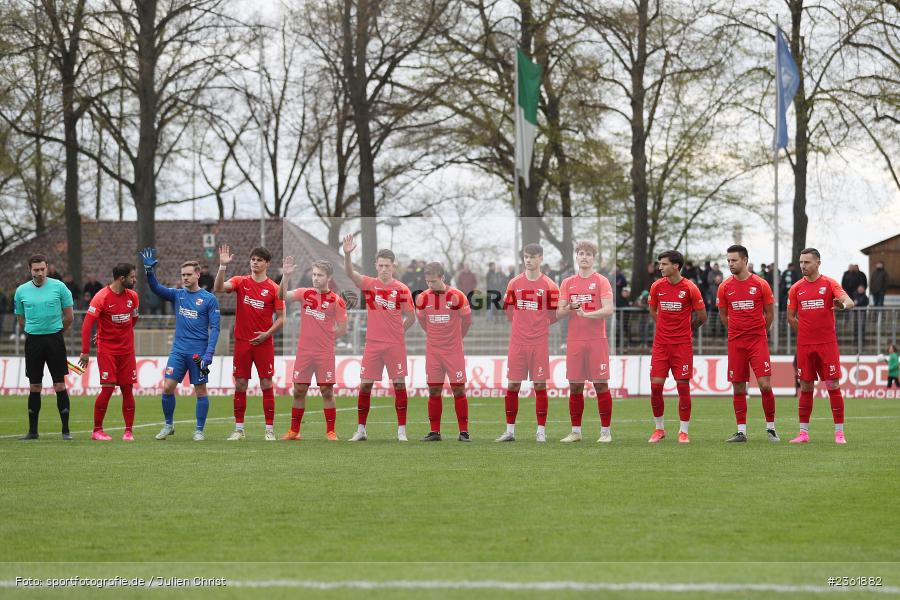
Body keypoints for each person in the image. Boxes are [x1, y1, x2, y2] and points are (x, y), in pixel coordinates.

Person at [141, 249, 221, 442]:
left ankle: (199, 430)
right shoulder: (178, 295)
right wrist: (149, 272)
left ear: (197, 275)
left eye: (188, 274)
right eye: (183, 275)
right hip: (178, 350)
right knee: (167, 386)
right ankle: (169, 425)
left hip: (198, 352)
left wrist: (209, 353)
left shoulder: (209, 299)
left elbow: (216, 328)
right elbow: (156, 289)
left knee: (200, 390)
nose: (185, 278)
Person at [343, 235, 416, 441]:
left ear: (394, 266)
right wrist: (347, 254)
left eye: (388, 265)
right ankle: (361, 430)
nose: (384, 269)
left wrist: (398, 332)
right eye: (381, 265)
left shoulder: (401, 289)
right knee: (365, 385)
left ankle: (401, 431)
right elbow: (349, 273)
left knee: (399, 385)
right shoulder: (369, 284)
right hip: (373, 344)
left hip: (394, 344)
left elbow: (411, 317)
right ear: (376, 265)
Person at [215, 245, 285, 441]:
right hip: (242, 342)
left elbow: (281, 318)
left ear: (267, 264)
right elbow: (219, 288)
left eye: (259, 260)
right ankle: (239, 429)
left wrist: (267, 334)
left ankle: (269, 430)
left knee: (266, 383)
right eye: (253, 259)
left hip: (264, 343)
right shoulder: (240, 281)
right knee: (240, 383)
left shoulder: (274, 288)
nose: (255, 263)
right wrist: (222, 266)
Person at [786, 248, 854, 444]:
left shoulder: (829, 283)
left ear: (818, 263)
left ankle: (839, 433)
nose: (802, 266)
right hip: (805, 345)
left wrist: (841, 305)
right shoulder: (796, 288)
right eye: (801, 262)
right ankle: (803, 433)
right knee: (806, 386)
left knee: (833, 384)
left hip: (827, 344)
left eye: (807, 262)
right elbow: (790, 317)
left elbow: (848, 302)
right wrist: (806, 332)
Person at [496, 243, 559, 443]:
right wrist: (521, 325)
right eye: (526, 256)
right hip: (518, 343)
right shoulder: (514, 283)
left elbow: (554, 314)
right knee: (513, 385)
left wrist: (538, 324)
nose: (528, 260)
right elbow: (508, 311)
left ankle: (541, 431)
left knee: (540, 385)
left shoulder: (549, 284)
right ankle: (510, 431)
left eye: (533, 257)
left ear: (541, 258)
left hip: (539, 342)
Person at [279, 256, 347, 440]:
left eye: (320, 275)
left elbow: (342, 328)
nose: (315, 278)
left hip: (324, 353)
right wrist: (286, 276)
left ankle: (330, 431)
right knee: (299, 390)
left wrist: (326, 338)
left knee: (326, 391)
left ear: (329, 278)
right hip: (304, 352)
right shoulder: (304, 293)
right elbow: (282, 296)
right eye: (314, 274)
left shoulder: (336, 300)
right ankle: (294, 431)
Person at [717, 245, 779, 443]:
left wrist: (761, 331)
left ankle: (771, 429)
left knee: (764, 385)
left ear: (745, 260)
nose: (730, 264)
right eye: (728, 261)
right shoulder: (724, 287)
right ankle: (741, 431)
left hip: (757, 341)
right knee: (738, 388)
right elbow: (723, 314)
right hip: (736, 342)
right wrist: (736, 331)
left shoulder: (760, 284)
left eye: (734, 260)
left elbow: (770, 314)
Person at [557, 241, 615, 443]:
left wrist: (587, 314)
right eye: (581, 253)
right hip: (574, 341)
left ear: (593, 258)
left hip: (597, 340)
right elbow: (559, 311)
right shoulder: (567, 283)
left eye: (588, 254)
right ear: (576, 256)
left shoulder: (602, 281)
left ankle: (605, 432)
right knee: (575, 387)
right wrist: (570, 308)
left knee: (601, 385)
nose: (584, 257)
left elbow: (609, 310)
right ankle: (576, 432)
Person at [647, 250, 707, 443]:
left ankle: (683, 431)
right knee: (656, 387)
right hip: (661, 345)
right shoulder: (657, 286)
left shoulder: (690, 288)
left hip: (682, 346)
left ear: (675, 266)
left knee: (683, 387)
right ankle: (659, 429)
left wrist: (685, 330)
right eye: (660, 264)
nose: (660, 267)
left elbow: (702, 316)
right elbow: (653, 310)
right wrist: (664, 328)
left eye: (664, 264)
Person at [14, 254, 75, 440]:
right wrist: (34, 331)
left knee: (59, 384)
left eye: (42, 269)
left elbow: (69, 316)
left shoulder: (60, 287)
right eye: (35, 270)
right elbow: (20, 318)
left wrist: (55, 333)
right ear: (29, 270)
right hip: (33, 341)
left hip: (54, 340)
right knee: (34, 385)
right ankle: (33, 431)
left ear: (47, 267)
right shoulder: (21, 291)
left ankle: (65, 430)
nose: (39, 273)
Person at [79, 263, 139, 441]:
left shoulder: (133, 297)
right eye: (132, 277)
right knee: (108, 388)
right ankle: (97, 430)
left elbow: (133, 319)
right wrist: (85, 351)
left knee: (128, 389)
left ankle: (128, 431)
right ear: (122, 279)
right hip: (107, 350)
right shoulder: (101, 297)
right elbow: (87, 324)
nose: (134, 280)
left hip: (127, 351)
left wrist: (123, 335)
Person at [415, 262, 472, 442]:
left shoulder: (457, 296)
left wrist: (456, 339)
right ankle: (434, 432)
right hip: (433, 352)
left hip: (453, 351)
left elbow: (467, 321)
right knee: (433, 390)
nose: (430, 285)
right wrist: (435, 337)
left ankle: (463, 432)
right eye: (427, 282)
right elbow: (423, 322)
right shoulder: (423, 298)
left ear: (443, 278)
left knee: (458, 390)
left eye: (433, 281)